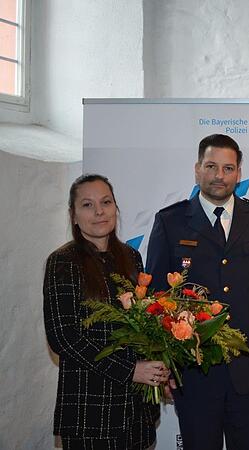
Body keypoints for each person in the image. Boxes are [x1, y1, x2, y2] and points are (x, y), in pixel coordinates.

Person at [146, 134, 249, 450]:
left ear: (239, 173)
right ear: (197, 168)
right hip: (193, 371)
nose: (219, 176)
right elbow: (156, 300)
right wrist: (163, 364)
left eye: (228, 168)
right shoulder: (170, 221)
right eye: (211, 166)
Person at [43, 174, 167, 450]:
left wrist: (158, 364)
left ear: (115, 208)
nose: (99, 211)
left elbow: (143, 324)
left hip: (136, 409)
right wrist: (130, 370)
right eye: (87, 205)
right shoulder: (63, 262)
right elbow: (63, 337)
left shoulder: (131, 257)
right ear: (73, 215)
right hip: (91, 409)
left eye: (106, 202)